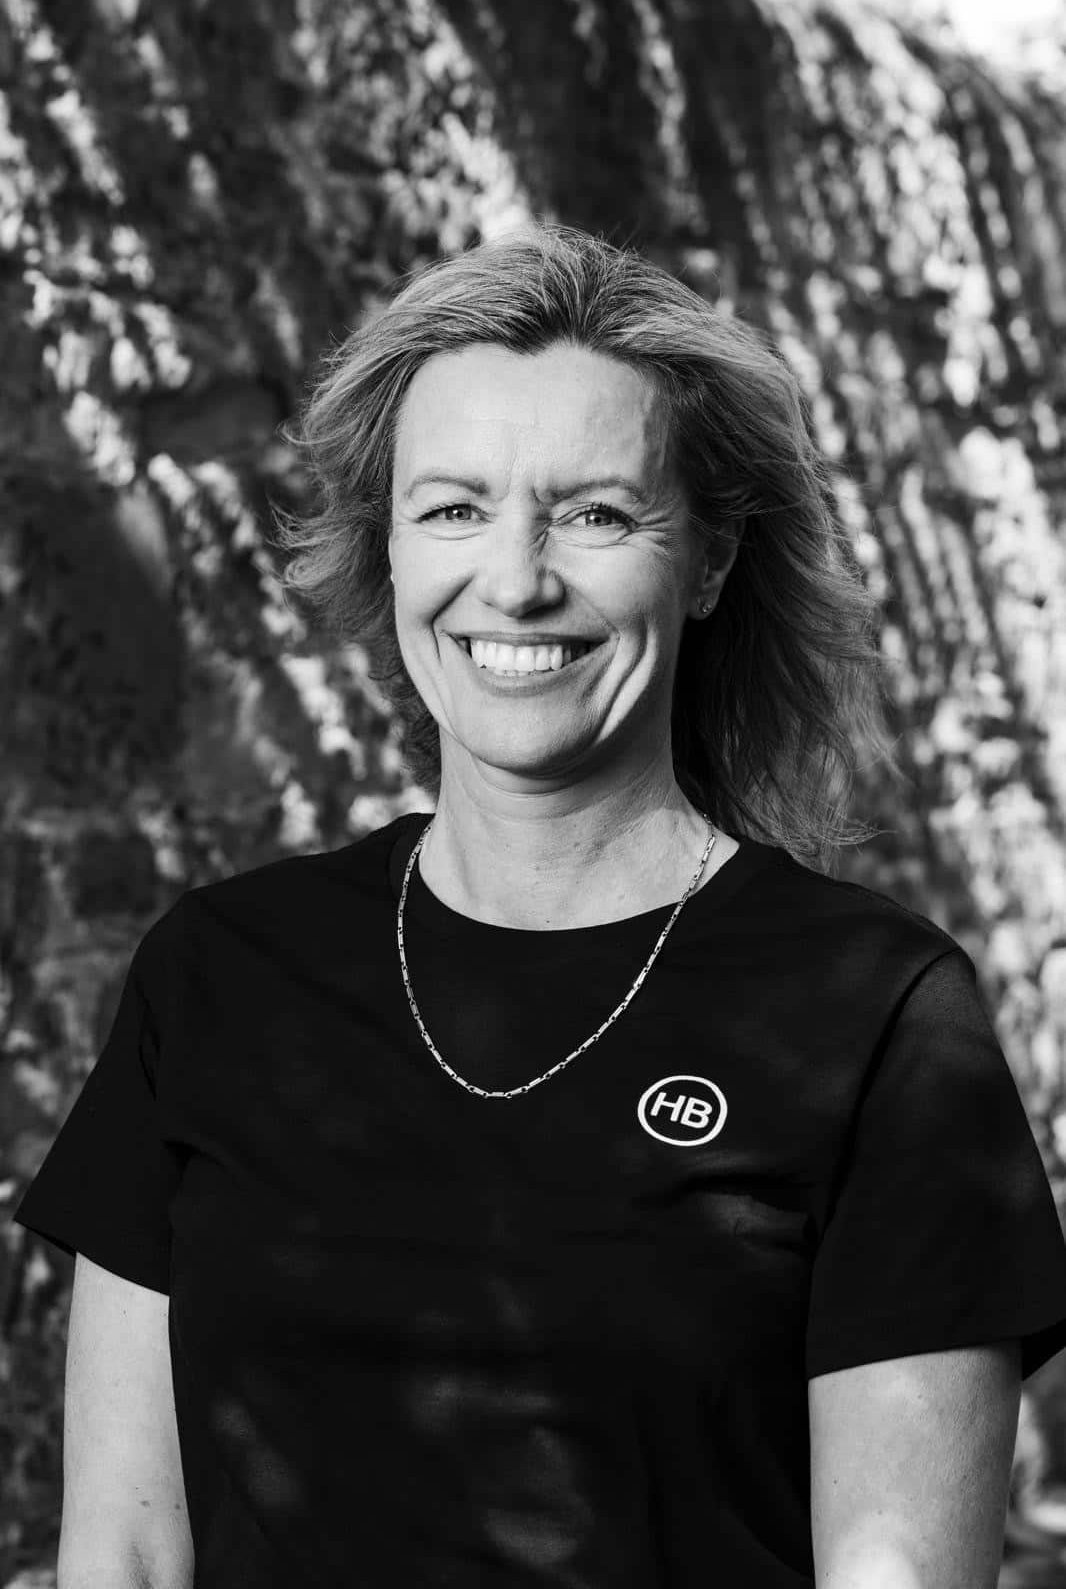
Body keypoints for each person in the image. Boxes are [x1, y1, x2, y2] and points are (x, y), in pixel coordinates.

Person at [14, 223, 1066, 1589]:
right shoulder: (217, 978)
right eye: (452, 507)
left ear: (704, 562)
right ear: (386, 550)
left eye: (593, 512)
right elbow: (129, 1558)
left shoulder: (876, 1015)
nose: (512, 580)